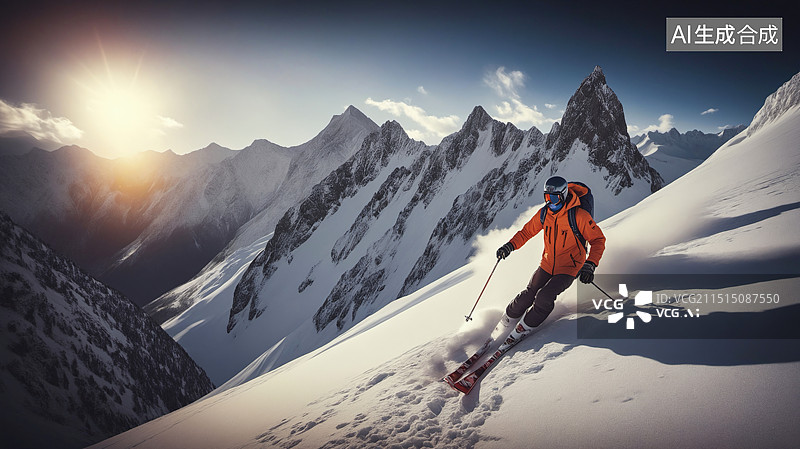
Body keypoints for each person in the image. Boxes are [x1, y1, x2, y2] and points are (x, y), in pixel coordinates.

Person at [494, 176, 606, 344]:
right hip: (547, 264)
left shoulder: (579, 216)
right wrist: (510, 246)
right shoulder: (544, 213)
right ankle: (506, 321)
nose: (550, 202)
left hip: (569, 267)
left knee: (544, 297)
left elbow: (598, 240)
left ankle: (525, 327)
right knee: (527, 296)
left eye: (554, 198)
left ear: (564, 195)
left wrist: (590, 265)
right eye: (547, 197)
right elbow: (526, 233)